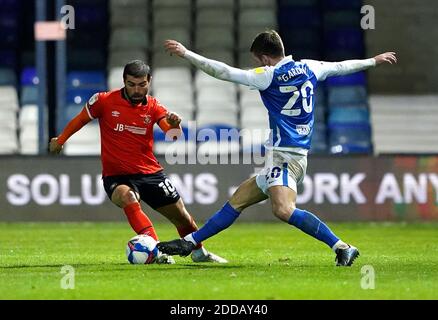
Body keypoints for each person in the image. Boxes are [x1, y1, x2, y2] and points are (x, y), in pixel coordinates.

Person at [157, 31, 397, 266]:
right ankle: (190, 242)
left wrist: (187, 53)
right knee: (238, 201)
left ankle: (342, 247)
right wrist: (373, 61)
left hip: (286, 158)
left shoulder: (267, 75)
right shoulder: (310, 67)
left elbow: (223, 72)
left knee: (283, 209)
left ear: (263, 58)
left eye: (256, 60)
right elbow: (341, 66)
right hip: (290, 156)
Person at [49, 60, 227, 264]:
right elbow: (80, 120)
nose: (136, 90)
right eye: (131, 84)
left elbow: (174, 135)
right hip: (116, 176)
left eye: (141, 84)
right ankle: (157, 252)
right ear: (124, 81)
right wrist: (60, 140)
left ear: (149, 81)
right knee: (127, 197)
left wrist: (175, 125)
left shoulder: (153, 106)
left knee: (182, 217)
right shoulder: (104, 101)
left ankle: (199, 253)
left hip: (150, 172)